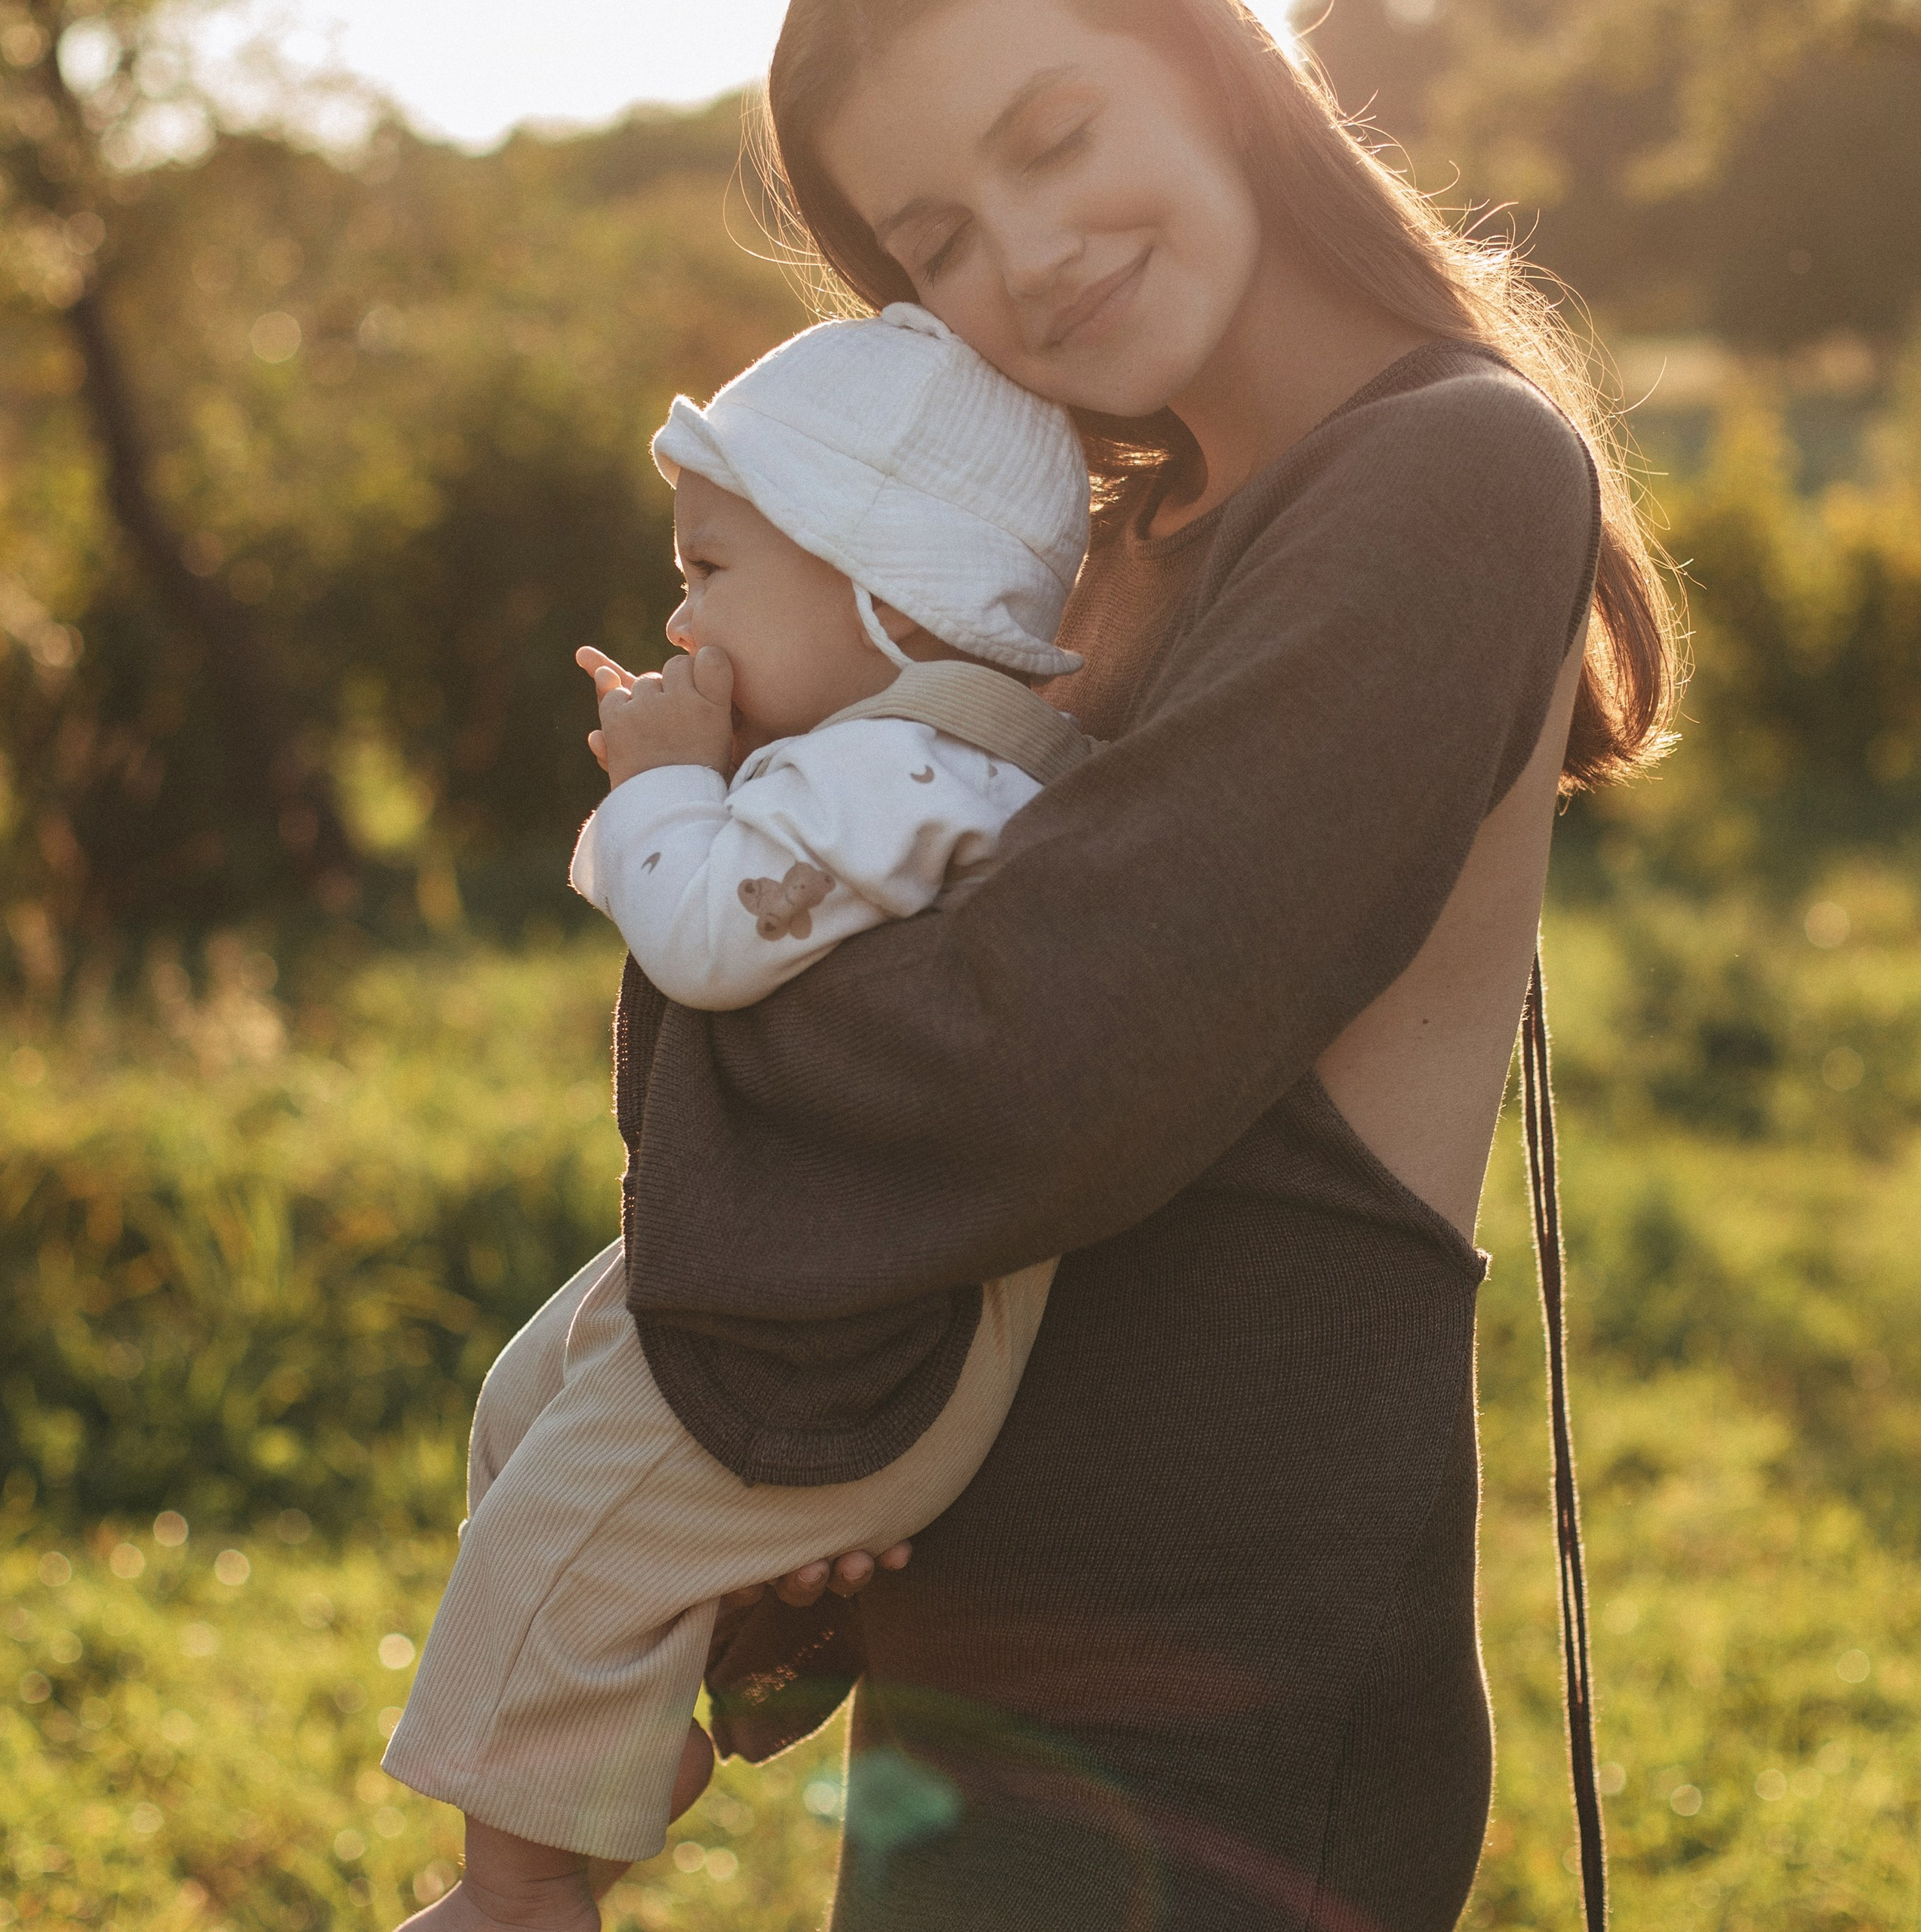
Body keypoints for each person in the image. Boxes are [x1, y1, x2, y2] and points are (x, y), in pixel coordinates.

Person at [601, 2, 1681, 1930]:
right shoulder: (1089, 555)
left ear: (1215, 64)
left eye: (1053, 136)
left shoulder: (1446, 466)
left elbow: (1036, 1060)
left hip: (1222, 1691)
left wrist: (697, 903)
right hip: (994, 1648)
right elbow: (912, 1047)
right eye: (934, 237)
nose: (1025, 254)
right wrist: (821, 1448)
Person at [383, 303, 1094, 1932]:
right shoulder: (894, 762)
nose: (677, 614)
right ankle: (611, 1737)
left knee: (558, 1540)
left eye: (709, 571)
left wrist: (659, 783)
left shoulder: (908, 770)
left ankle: (519, 1893)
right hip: (789, 1264)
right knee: (527, 1410)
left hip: (832, 1316)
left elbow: (705, 937)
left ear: (889, 593)